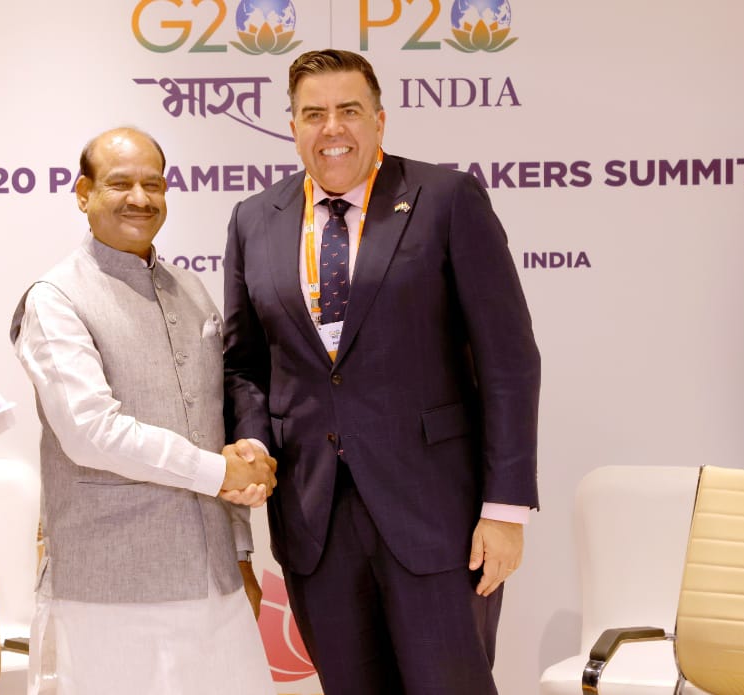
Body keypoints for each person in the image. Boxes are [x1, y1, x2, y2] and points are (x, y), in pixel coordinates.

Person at [222, 49, 541, 694]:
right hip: (314, 519)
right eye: (314, 114)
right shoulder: (254, 219)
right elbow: (245, 363)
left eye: (349, 110)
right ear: (292, 126)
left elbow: (508, 360)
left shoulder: (445, 199)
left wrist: (506, 508)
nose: (332, 128)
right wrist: (253, 441)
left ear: (380, 120)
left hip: (438, 518)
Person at [10, 127, 276, 695]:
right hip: (112, 586)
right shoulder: (55, 298)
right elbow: (91, 432)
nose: (140, 198)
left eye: (153, 184)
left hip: (214, 580)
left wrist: (240, 555)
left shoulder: (190, 289)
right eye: (120, 184)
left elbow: (215, 426)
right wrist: (218, 471)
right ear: (83, 193)